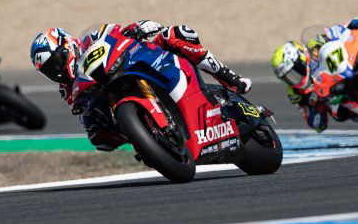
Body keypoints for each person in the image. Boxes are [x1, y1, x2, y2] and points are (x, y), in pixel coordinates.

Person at [30, 21, 252, 151]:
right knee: (97, 136)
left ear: (67, 46)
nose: (57, 71)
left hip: (131, 65)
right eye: (49, 70)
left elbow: (117, 32)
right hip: (112, 99)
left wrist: (140, 27)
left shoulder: (91, 39)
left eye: (56, 62)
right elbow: (82, 112)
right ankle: (151, 140)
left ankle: (229, 77)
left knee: (176, 34)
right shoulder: (67, 89)